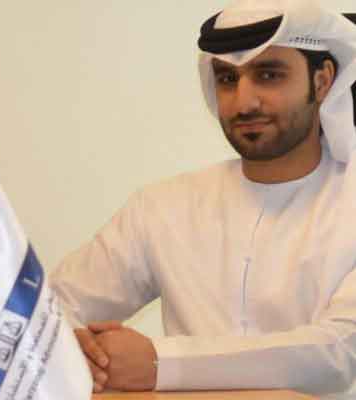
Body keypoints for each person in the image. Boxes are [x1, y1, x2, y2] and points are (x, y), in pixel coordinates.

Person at [50, 0, 356, 396]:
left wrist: (161, 364)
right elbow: (53, 304)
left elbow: (336, 352)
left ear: (323, 81)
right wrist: (77, 347)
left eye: (268, 75)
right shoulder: (163, 207)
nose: (244, 102)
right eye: (228, 79)